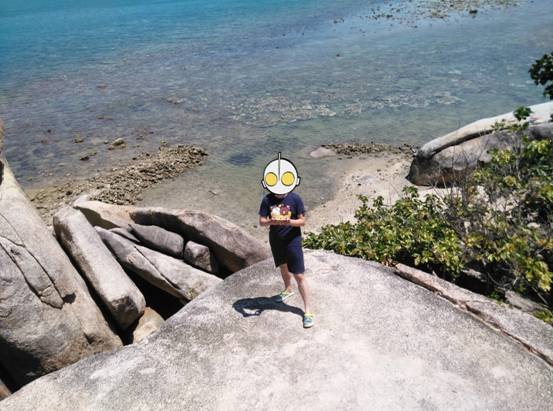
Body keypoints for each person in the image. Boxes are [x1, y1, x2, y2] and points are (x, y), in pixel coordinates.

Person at [258, 153, 313, 328]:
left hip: (292, 240)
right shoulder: (267, 199)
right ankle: (288, 289)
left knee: (299, 275)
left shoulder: (295, 199)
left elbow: (302, 221)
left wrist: (289, 221)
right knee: (283, 266)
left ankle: (307, 310)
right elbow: (262, 222)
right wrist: (272, 221)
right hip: (276, 239)